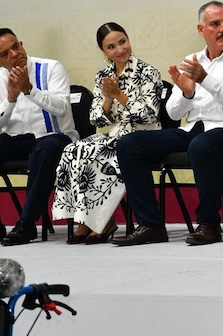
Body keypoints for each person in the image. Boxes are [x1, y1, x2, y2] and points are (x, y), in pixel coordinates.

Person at [112, 1, 223, 246]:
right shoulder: (193, 60)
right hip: (194, 130)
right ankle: (151, 225)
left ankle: (209, 224)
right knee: (129, 144)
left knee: (202, 145)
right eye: (215, 24)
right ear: (201, 30)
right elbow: (173, 111)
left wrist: (206, 79)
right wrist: (187, 93)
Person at [52, 23, 162, 244]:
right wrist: (108, 99)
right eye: (112, 47)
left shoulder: (148, 72)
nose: (120, 49)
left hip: (144, 135)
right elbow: (96, 118)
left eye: (123, 42)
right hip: (116, 132)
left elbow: (149, 115)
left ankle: (101, 222)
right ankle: (85, 220)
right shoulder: (103, 75)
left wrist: (119, 94)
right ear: (103, 51)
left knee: (100, 152)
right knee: (74, 149)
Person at [0, 28, 78, 245]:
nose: (15, 54)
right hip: (17, 140)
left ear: (22, 44)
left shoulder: (50, 68)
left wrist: (29, 90)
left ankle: (26, 224)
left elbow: (62, 108)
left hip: (55, 138)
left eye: (16, 46)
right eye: (5, 54)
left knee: (46, 149)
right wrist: (10, 100)